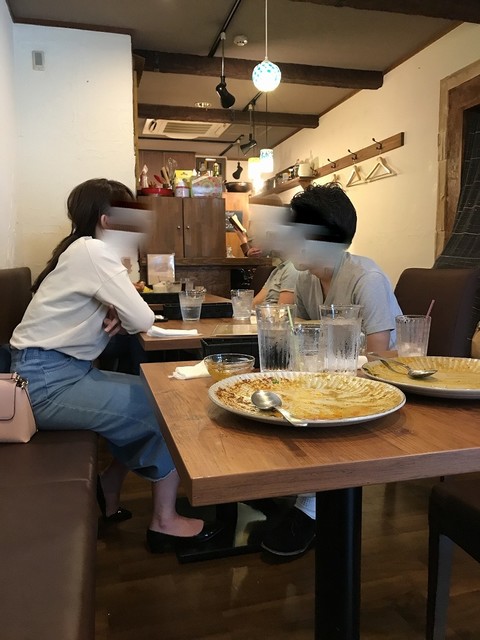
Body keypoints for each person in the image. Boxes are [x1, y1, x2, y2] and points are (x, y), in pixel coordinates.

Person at [9, 178, 221, 552]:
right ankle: (164, 522)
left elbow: (126, 315)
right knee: (167, 407)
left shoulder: (80, 251)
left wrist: (118, 314)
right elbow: (142, 318)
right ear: (107, 220)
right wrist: (124, 316)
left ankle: (109, 486)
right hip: (46, 383)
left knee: (157, 393)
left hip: (54, 373)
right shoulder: (94, 251)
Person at [260, 182, 402, 558]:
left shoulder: (366, 279)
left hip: (385, 386)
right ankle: (295, 487)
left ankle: (309, 509)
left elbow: (381, 356)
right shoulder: (306, 279)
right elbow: (299, 337)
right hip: (335, 379)